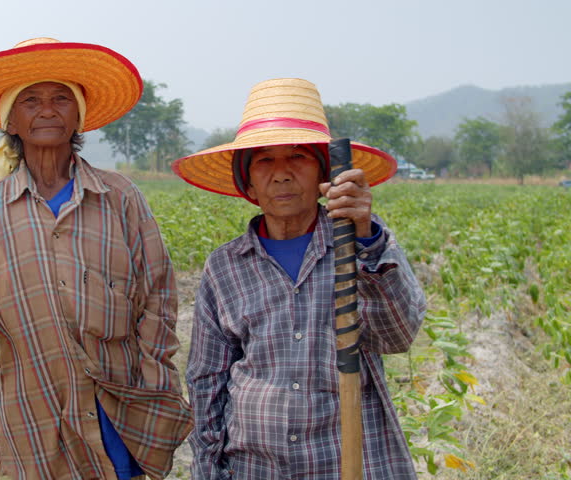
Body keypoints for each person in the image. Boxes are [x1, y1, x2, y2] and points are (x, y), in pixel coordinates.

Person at [0, 38, 193, 480]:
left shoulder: (119, 196)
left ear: (78, 114)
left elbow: (158, 294)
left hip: (120, 407)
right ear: (10, 119)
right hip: (34, 414)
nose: (47, 110)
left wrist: (153, 376)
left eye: (60, 98)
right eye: (31, 100)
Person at [172, 78, 426, 479]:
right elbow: (207, 382)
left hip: (347, 464)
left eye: (298, 158)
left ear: (324, 174)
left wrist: (365, 236)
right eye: (265, 161)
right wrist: (209, 469)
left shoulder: (359, 246)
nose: (282, 174)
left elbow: (397, 335)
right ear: (248, 183)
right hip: (255, 467)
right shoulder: (225, 267)